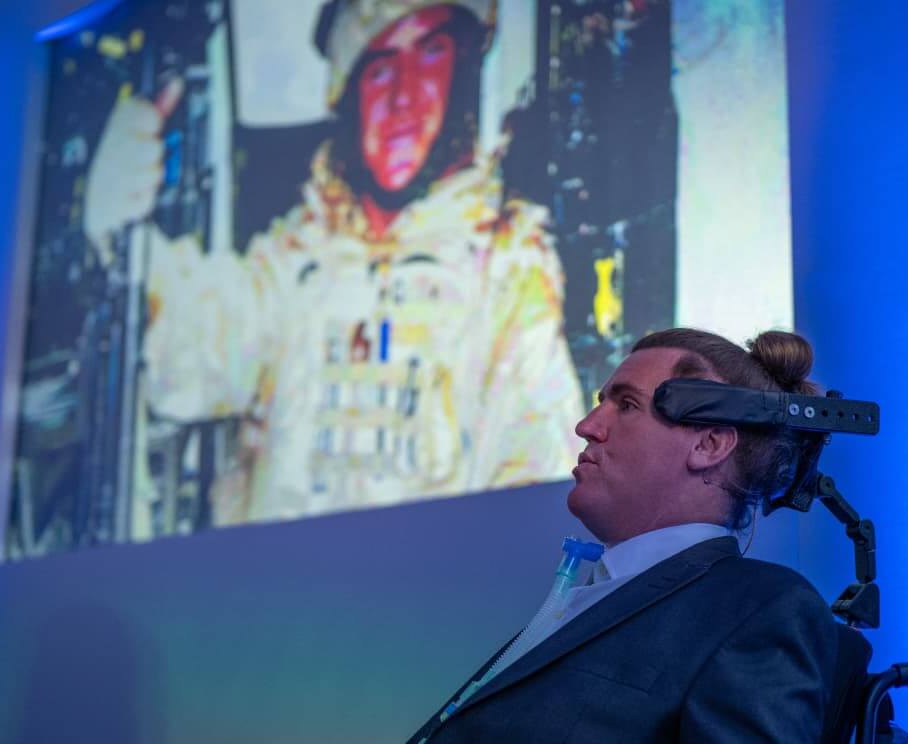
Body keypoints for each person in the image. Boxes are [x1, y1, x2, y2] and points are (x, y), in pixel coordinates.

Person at [82, 0, 584, 525]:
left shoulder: (508, 270)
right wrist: (122, 233)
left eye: (432, 53)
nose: (404, 96)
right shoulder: (298, 261)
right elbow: (190, 354)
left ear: (462, 73)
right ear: (349, 96)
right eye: (380, 68)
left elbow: (540, 473)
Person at [408, 328, 841, 743]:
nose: (587, 426)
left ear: (708, 445)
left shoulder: (760, 609)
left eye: (628, 404)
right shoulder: (592, 596)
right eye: (601, 403)